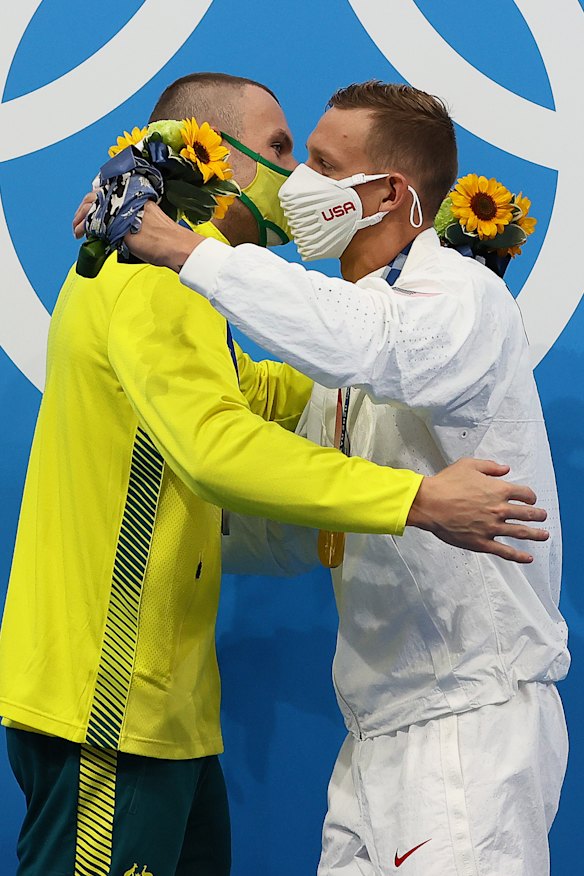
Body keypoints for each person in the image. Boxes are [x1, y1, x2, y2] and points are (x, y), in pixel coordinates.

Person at [0, 74, 548, 876]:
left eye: (321, 162)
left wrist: (191, 250)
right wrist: (418, 499)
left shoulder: (451, 296)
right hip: (121, 697)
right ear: (213, 157)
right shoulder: (155, 275)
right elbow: (228, 436)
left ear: (390, 191)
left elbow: (337, 359)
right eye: (290, 153)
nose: (300, 183)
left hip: (445, 728)